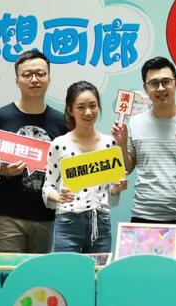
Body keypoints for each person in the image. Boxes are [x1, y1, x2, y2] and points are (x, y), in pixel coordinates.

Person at [112, 56, 176, 257]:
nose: (160, 88)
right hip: (143, 218)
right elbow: (128, 167)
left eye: (166, 82)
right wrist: (122, 145)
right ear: (145, 88)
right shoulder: (135, 122)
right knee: (143, 275)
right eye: (154, 83)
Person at [0, 50, 67, 253]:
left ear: (49, 78)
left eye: (40, 74)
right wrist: (2, 169)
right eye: (27, 75)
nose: (34, 79)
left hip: (46, 216)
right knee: (8, 270)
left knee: (36, 272)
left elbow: (68, 166)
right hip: (6, 215)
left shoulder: (61, 122)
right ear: (17, 80)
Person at [42, 81, 128, 253]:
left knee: (99, 269)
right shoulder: (59, 144)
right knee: (68, 269)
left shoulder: (109, 143)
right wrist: (59, 196)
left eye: (93, 106)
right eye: (81, 107)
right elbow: (48, 186)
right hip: (68, 222)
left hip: (101, 222)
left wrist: (117, 188)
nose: (88, 112)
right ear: (70, 110)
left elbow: (110, 190)